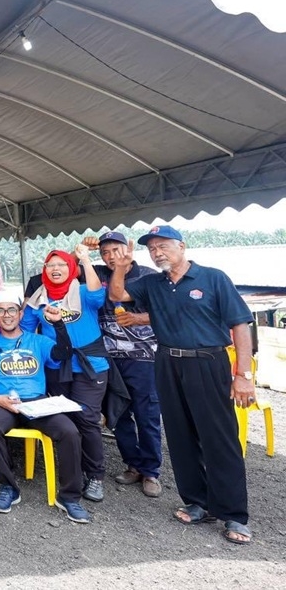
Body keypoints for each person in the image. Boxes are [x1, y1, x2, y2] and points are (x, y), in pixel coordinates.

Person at [108, 225, 254, 545]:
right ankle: (199, 502)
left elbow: (240, 324)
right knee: (180, 434)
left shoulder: (212, 277)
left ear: (182, 246)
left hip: (208, 361)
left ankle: (233, 514)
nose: (157, 252)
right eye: (152, 248)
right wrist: (119, 267)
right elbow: (118, 295)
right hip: (167, 362)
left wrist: (243, 375)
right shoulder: (152, 283)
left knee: (219, 437)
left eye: (164, 246)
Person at [0, 292, 91, 523]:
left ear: (20, 314)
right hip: (2, 402)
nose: (6, 315)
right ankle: (8, 487)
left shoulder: (37, 341)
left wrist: (58, 325)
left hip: (36, 401)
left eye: (11, 310)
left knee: (69, 431)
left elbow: (64, 354)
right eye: (1, 310)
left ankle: (69, 497)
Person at [21, 244, 108, 503]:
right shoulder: (38, 299)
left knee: (88, 419)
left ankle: (95, 475)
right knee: (63, 420)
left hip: (91, 365)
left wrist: (85, 260)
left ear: (71, 269)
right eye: (51, 265)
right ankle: (72, 470)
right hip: (57, 367)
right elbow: (25, 330)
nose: (56, 269)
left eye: (61, 265)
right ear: (44, 270)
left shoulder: (83, 291)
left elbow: (98, 296)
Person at [87, 231, 163, 498]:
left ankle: (152, 471)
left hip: (145, 358)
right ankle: (133, 464)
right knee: (118, 414)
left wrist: (140, 318)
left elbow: (168, 311)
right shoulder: (100, 274)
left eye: (115, 250)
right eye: (104, 252)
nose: (110, 257)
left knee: (148, 413)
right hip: (111, 358)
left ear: (128, 250)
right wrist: (80, 251)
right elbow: (64, 268)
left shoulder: (150, 277)